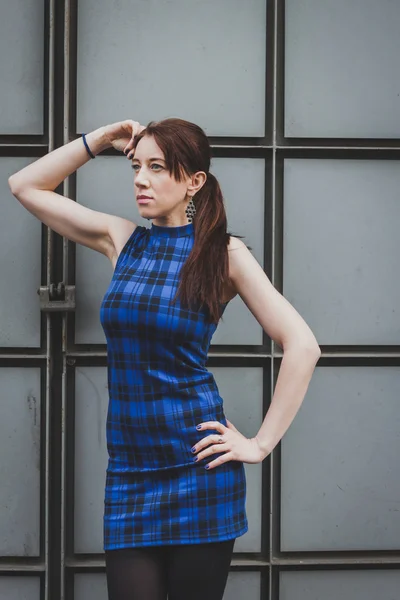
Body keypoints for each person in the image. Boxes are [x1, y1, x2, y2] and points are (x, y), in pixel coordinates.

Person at [8, 118, 321, 600]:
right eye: (136, 166)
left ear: (193, 181)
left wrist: (259, 444)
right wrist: (100, 140)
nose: (140, 179)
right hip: (130, 472)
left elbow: (303, 345)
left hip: (197, 469)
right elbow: (24, 185)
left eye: (157, 167)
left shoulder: (224, 254)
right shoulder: (122, 240)